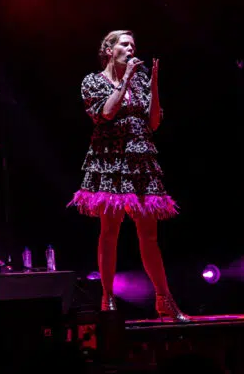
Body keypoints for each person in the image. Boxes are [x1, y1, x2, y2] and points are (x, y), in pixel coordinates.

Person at [68, 30, 188, 322]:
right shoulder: (93, 81)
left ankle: (164, 298)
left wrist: (154, 83)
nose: (131, 49)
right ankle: (107, 298)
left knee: (149, 235)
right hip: (110, 160)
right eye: (124, 44)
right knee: (110, 232)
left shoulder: (141, 81)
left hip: (140, 160)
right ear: (109, 50)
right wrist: (125, 81)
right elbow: (107, 113)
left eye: (133, 45)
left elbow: (154, 122)